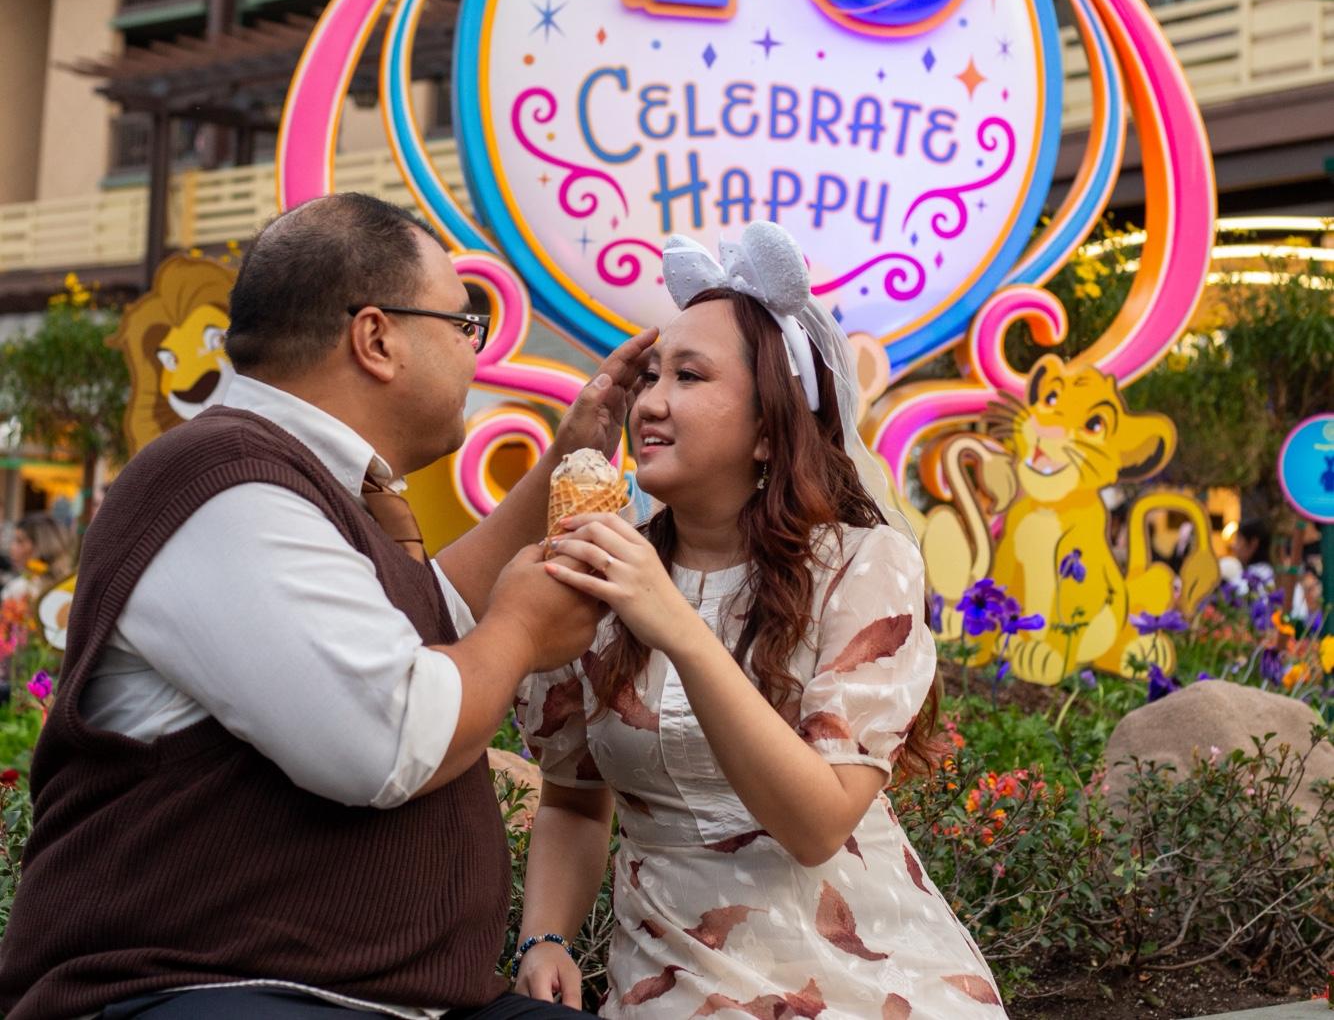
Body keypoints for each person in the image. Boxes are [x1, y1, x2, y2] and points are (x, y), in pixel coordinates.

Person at [0, 192, 656, 1020]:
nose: (477, 351)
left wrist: (574, 450)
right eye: (464, 324)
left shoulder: (295, 479)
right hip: (208, 991)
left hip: (368, 996)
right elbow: (386, 737)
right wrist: (522, 631)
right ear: (376, 338)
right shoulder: (222, 485)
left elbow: (438, 614)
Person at [514, 222, 1006, 1018]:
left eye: (690, 376)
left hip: (867, 976)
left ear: (770, 430)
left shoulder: (862, 566)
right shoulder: (595, 573)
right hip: (671, 982)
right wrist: (544, 939)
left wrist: (675, 624)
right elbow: (573, 799)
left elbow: (818, 825)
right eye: (651, 376)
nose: (652, 402)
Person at [2, 511, 75, 604]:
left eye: (20, 541)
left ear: (41, 546)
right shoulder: (69, 584)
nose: (12, 548)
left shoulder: (21, 589)